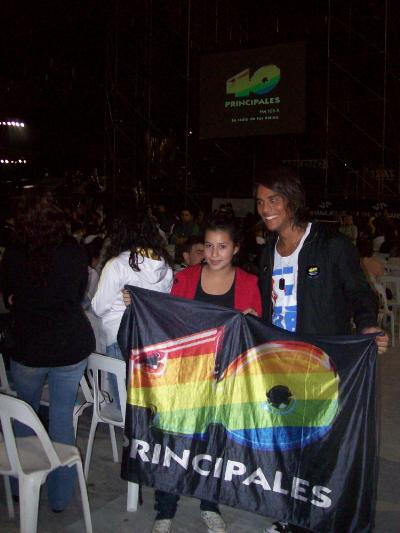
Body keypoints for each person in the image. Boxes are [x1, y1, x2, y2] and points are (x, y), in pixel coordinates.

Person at [255, 166, 388, 533]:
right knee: (286, 442)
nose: (265, 208)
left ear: (292, 201)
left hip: (320, 362)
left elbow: (359, 292)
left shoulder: (330, 245)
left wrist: (367, 324)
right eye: (261, 202)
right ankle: (290, 513)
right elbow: (270, 303)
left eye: (274, 200)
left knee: (318, 442)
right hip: (280, 361)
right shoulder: (268, 251)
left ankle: (315, 518)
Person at [152, 214, 262, 533]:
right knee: (176, 441)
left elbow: (258, 334)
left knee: (215, 441)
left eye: (222, 247)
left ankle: (209, 503)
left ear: (236, 249)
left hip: (226, 377)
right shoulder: (185, 279)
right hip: (186, 374)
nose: (214, 254)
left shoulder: (249, 283)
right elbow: (167, 320)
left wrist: (254, 320)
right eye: (209, 246)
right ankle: (165, 508)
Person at [0, 190, 95, 512]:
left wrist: (23, 300)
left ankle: (17, 485)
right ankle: (59, 497)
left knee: (23, 415)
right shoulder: (74, 251)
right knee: (61, 418)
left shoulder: (13, 253)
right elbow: (78, 293)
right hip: (69, 342)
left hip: (29, 343)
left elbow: (10, 296)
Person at [92, 212, 173, 409]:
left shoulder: (117, 265)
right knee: (146, 399)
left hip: (119, 334)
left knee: (125, 404)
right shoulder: (165, 267)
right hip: (152, 337)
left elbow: (97, 306)